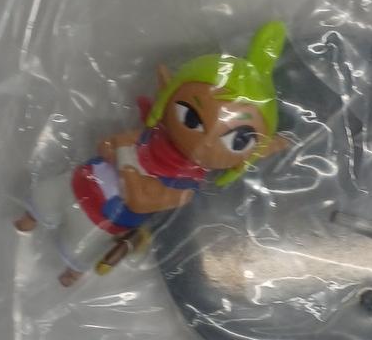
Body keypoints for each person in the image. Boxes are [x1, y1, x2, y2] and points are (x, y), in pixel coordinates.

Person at [15, 22, 287, 285]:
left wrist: (125, 163)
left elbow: (140, 201)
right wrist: (122, 157)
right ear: (168, 97)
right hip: (80, 180)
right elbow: (109, 144)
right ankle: (31, 218)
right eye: (191, 117)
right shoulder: (152, 137)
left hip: (101, 219)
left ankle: (72, 273)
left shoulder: (183, 187)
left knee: (79, 248)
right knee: (46, 196)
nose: (205, 141)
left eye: (237, 140)